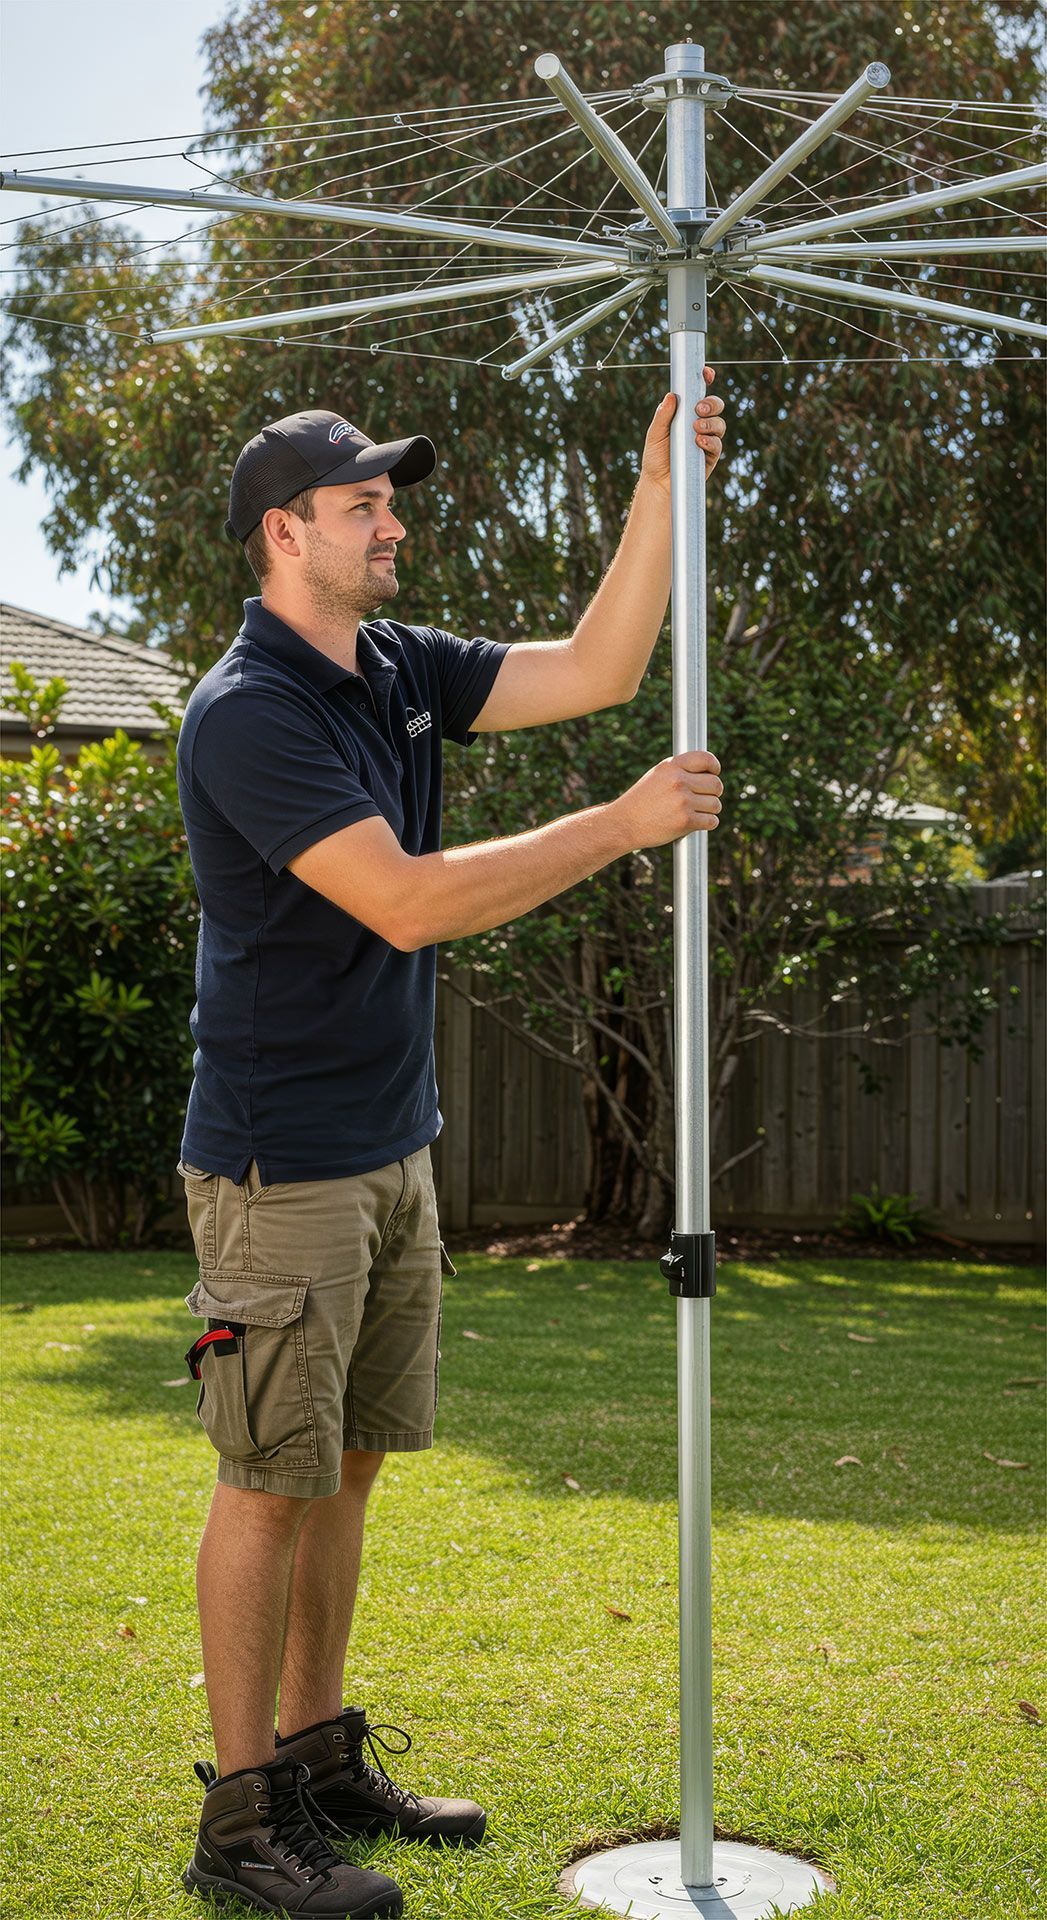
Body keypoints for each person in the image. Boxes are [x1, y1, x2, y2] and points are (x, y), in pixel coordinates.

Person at [175, 382, 727, 1918]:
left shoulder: (400, 668)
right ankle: (240, 1825)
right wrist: (621, 827)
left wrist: (656, 483)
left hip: (389, 1147)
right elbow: (406, 900)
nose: (393, 522)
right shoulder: (249, 714)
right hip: (281, 1166)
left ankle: (317, 1751)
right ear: (284, 536)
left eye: (388, 501)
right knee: (267, 1480)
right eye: (363, 507)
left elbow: (606, 668)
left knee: (347, 1467)